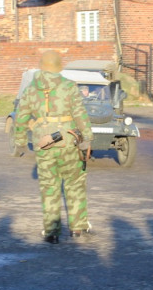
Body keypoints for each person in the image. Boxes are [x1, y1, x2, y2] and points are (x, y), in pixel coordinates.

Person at [12, 50, 93, 244]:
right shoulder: (69, 86)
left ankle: (52, 232)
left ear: (42, 66)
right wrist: (88, 138)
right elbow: (80, 114)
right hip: (69, 141)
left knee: (49, 187)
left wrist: (20, 142)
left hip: (44, 144)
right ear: (59, 67)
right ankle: (78, 228)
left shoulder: (30, 89)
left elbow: (21, 117)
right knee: (74, 184)